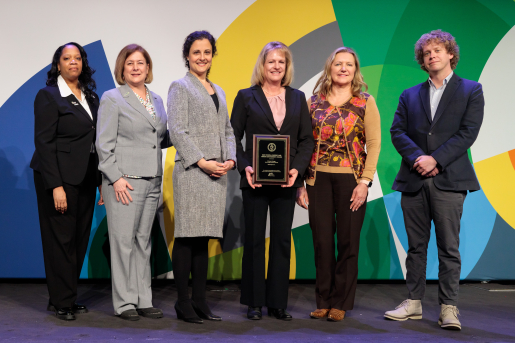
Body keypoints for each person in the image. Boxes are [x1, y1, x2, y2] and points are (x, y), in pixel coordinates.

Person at [385, 30, 484, 330]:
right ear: (422, 60)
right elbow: (397, 131)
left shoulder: (471, 90)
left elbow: (468, 132)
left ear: (451, 54)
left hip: (450, 180)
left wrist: (436, 159)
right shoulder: (409, 94)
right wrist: (419, 158)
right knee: (416, 247)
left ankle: (448, 308)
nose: (432, 56)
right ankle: (413, 302)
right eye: (427, 53)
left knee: (448, 248)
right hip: (413, 179)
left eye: (438, 50)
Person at [230, 41, 314, 321]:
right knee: (253, 240)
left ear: (287, 67)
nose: (276, 66)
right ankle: (254, 302)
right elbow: (233, 138)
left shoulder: (297, 97)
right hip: (255, 181)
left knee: (280, 242)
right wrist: (245, 168)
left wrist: (297, 171)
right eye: (271, 62)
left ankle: (278, 302)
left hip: (286, 182)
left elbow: (306, 140)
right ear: (262, 66)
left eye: (281, 62)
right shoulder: (246, 96)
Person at [296, 47, 381, 321]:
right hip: (317, 180)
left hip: (351, 181)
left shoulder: (365, 101)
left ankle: (341, 302)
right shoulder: (313, 102)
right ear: (329, 68)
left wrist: (365, 182)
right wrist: (300, 183)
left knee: (347, 242)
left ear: (355, 70)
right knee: (321, 242)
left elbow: (374, 143)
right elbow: (303, 143)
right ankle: (323, 299)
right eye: (338, 64)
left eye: (349, 64)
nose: (343, 68)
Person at [96, 44, 171, 321]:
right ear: (122, 69)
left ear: (148, 68)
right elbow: (103, 144)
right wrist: (114, 179)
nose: (136, 67)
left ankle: (143, 299)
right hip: (124, 182)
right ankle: (125, 302)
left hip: (152, 180)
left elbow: (160, 138)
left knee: (143, 242)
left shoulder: (158, 100)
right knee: (123, 242)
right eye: (130, 64)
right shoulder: (112, 98)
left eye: (141, 63)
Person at [167, 30, 236, 324]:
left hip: (217, 174)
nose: (202, 57)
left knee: (203, 239)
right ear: (187, 56)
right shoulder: (180, 87)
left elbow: (228, 130)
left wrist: (230, 158)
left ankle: (200, 301)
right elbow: (177, 131)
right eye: (196, 52)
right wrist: (203, 161)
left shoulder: (218, 90)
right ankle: (183, 303)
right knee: (187, 237)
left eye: (207, 52)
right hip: (193, 172)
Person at [31, 42, 102, 321]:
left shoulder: (91, 97)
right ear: (58, 65)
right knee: (60, 240)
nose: (73, 62)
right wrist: (56, 186)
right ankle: (62, 301)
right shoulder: (48, 95)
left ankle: (65, 295)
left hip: (85, 177)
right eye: (67, 58)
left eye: (77, 58)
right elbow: (44, 143)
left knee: (78, 238)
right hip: (58, 178)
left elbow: (95, 144)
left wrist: (98, 181)